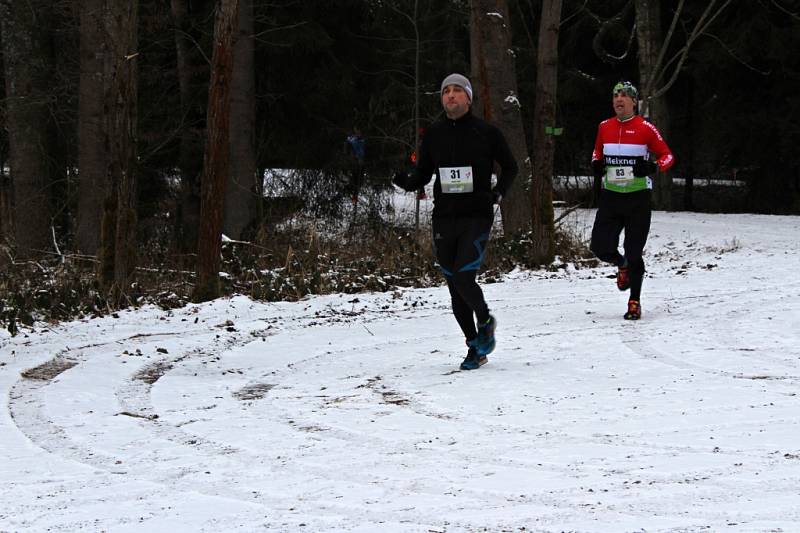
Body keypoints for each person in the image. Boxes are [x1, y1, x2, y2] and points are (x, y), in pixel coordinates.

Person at [393, 73, 518, 370]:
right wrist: (407, 182)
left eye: (457, 91)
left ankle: (486, 320)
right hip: (444, 217)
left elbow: (510, 167)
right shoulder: (434, 134)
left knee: (464, 277)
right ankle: (475, 346)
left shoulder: (486, 132)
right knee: (454, 286)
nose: (450, 95)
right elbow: (423, 174)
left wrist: (498, 193)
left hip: (476, 215)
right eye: (446, 91)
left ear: (469, 98)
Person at [590, 81, 675, 320]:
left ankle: (634, 301)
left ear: (634, 102)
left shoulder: (646, 128)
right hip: (611, 198)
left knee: (635, 250)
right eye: (616, 95)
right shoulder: (604, 126)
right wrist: (596, 163)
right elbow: (597, 152)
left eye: (624, 96)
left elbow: (668, 156)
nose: (619, 99)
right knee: (599, 246)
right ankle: (622, 263)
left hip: (637, 199)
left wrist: (653, 167)